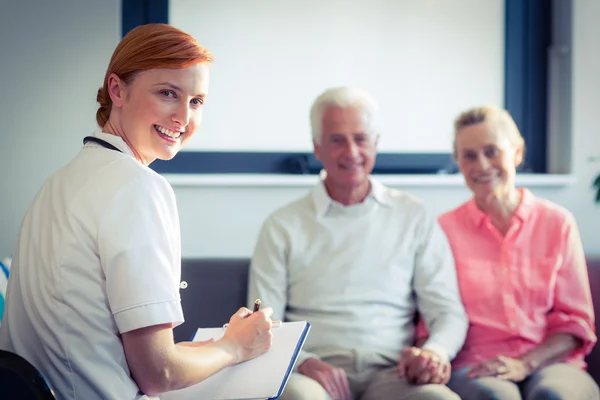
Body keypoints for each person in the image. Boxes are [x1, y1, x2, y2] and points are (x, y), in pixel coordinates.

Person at [0, 23, 274, 400]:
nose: (183, 117)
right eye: (167, 93)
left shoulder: (57, 184)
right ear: (117, 90)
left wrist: (222, 343)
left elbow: (104, 347)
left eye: (196, 102)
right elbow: (157, 373)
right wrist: (235, 349)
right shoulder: (137, 187)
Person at [247, 86, 468, 400]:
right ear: (317, 147)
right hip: (311, 373)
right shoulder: (282, 225)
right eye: (337, 139)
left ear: (376, 143)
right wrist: (305, 362)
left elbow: (448, 312)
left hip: (394, 372)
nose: (351, 152)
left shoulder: (413, 216)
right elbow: (263, 323)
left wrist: (434, 352)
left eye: (361, 138)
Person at [431, 105, 600, 399]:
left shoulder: (557, 223)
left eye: (492, 151)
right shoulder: (443, 229)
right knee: (497, 397)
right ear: (458, 161)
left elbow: (576, 323)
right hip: (477, 364)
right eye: (469, 155)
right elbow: (434, 315)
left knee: (556, 395)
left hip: (551, 361)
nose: (482, 165)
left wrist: (525, 363)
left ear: (517, 152)